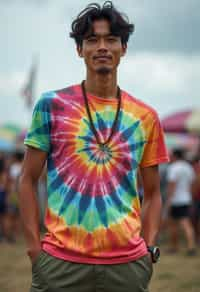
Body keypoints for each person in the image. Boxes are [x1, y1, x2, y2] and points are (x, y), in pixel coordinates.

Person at [19, 2, 169, 291]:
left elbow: (153, 193)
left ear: (123, 48)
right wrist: (34, 250)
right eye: (92, 40)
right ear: (79, 50)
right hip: (59, 264)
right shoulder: (52, 106)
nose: (102, 46)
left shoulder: (145, 117)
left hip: (128, 268)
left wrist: (148, 250)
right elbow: (27, 178)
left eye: (111, 39)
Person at [166, 148, 196, 255]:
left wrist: (168, 200)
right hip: (186, 199)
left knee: (177, 224)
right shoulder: (188, 167)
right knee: (184, 224)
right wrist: (190, 197)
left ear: (175, 156)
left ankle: (179, 247)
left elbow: (171, 185)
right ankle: (187, 246)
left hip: (176, 200)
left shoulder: (174, 168)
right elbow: (192, 184)